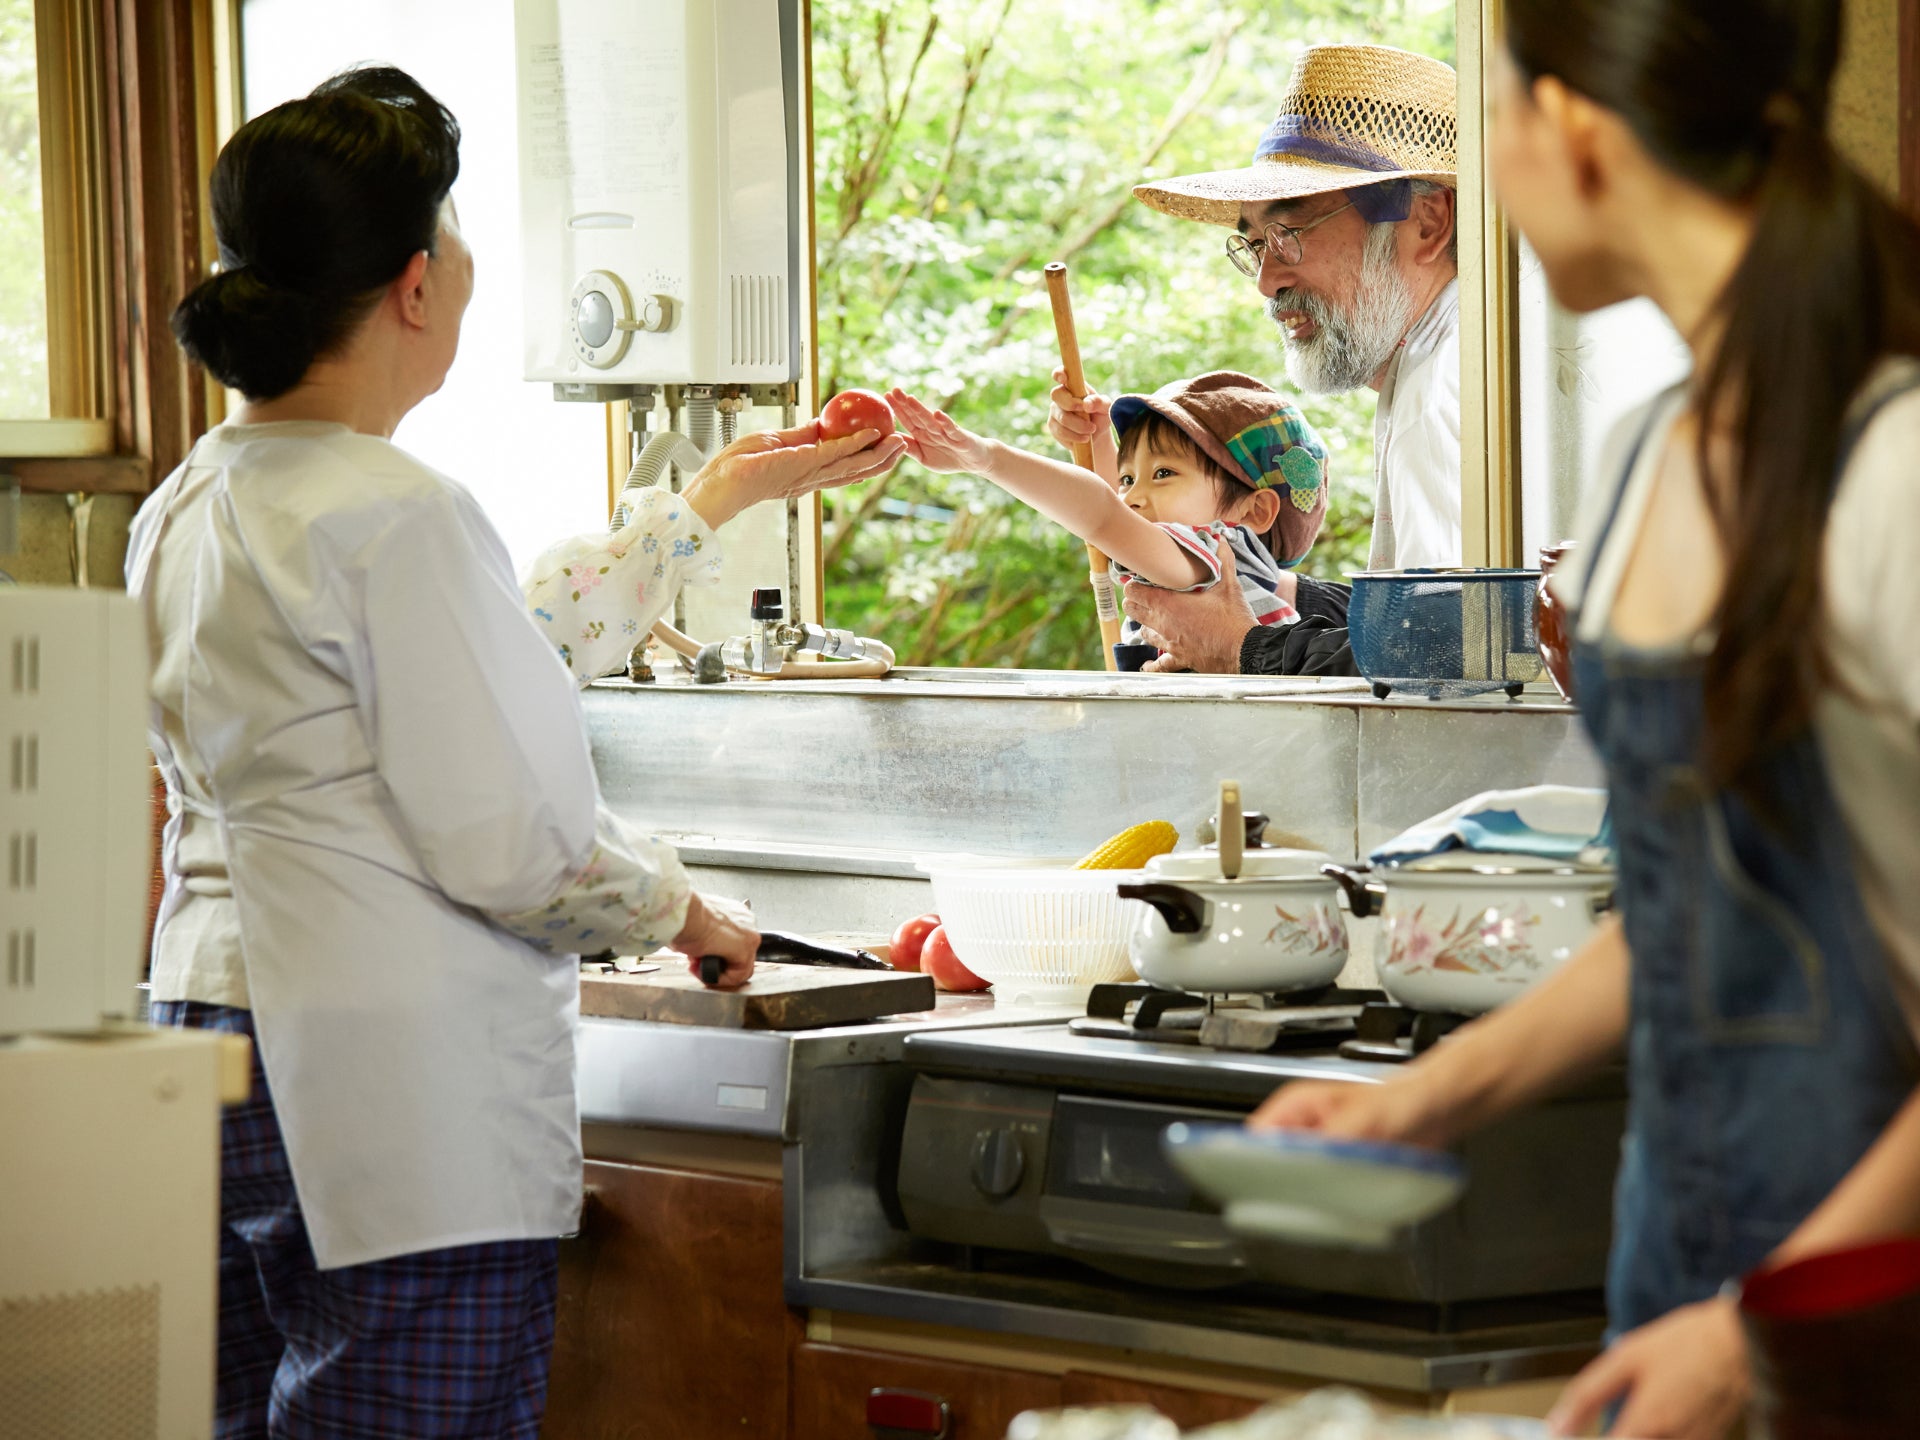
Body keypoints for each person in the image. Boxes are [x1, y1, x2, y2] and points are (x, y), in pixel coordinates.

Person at [128, 66, 900, 1438]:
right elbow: (520, 851)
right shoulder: (397, 511)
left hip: (206, 1036)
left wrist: (708, 501)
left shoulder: (186, 502)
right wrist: (690, 913)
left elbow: (492, 658)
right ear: (417, 284)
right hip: (382, 1078)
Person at [1250, 2, 1920, 1436]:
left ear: (1572, 127)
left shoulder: (1893, 466)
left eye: (1496, 115)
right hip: (1675, 1262)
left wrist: (1757, 1335)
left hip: (1858, 1319)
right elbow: (1691, 913)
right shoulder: (1643, 459)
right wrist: (1423, 1103)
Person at [1049, 42, 1462, 673]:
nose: (1267, 281)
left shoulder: (1448, 388)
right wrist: (1272, 591)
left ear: (1428, 222)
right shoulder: (1434, 364)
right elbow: (1444, 619)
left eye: (1289, 234)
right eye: (1254, 246)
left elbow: (1448, 659)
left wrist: (1243, 645)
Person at [888, 372, 1329, 650]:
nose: (1132, 495)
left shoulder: (1217, 554)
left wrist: (988, 460)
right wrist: (1097, 440)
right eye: (1128, 477)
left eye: (1163, 474)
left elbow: (1105, 517)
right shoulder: (1214, 564)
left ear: (1253, 511)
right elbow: (1115, 512)